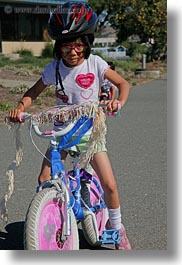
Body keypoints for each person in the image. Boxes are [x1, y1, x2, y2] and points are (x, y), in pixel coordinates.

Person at [8, 1, 131, 250]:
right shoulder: (53, 68)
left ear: (86, 43)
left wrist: (118, 102)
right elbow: (34, 90)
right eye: (66, 45)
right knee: (44, 177)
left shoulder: (95, 63)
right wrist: (20, 108)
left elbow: (123, 84)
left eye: (77, 45)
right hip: (61, 132)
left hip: (89, 133)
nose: (72, 51)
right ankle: (52, 210)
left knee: (110, 185)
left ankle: (117, 230)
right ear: (58, 46)